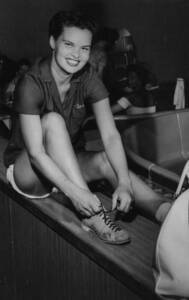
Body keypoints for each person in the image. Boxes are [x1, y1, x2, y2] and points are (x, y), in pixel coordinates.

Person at [4, 10, 171, 245]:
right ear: (53, 42)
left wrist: (123, 181)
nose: (77, 55)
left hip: (67, 166)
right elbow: (36, 154)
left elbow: (111, 136)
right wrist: (75, 193)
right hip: (29, 173)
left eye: (84, 48)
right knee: (52, 121)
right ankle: (93, 215)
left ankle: (167, 211)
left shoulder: (89, 78)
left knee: (106, 160)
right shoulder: (31, 82)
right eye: (69, 44)